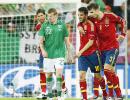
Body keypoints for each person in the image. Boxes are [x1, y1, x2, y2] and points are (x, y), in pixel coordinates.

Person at [87, 3, 126, 100]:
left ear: (97, 9)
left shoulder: (110, 16)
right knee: (110, 72)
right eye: (89, 12)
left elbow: (123, 21)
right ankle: (117, 95)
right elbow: (82, 20)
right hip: (101, 50)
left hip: (113, 48)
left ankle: (113, 94)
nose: (90, 14)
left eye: (91, 12)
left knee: (107, 69)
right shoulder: (92, 19)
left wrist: (123, 35)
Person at [39, 8, 72, 100]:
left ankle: (59, 96)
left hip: (60, 54)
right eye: (48, 16)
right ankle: (49, 96)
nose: (49, 18)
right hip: (48, 55)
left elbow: (66, 41)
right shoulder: (44, 25)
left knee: (58, 74)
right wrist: (43, 50)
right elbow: (40, 42)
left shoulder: (62, 25)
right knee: (48, 75)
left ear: (56, 15)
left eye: (51, 16)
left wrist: (69, 54)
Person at [75, 7, 107, 100]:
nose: (79, 17)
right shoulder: (80, 24)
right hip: (83, 56)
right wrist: (78, 26)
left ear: (86, 15)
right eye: (78, 15)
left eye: (81, 15)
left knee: (97, 76)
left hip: (93, 54)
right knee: (81, 75)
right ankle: (84, 98)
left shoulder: (91, 25)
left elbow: (91, 42)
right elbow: (79, 23)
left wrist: (80, 52)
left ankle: (105, 93)